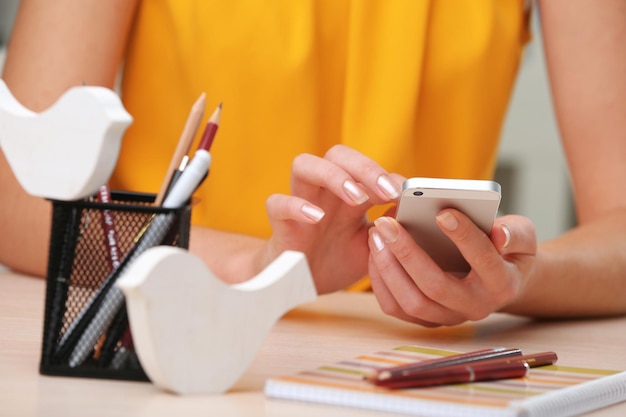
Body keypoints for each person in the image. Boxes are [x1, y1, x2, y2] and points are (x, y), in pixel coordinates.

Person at [1, 0, 625, 327]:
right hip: (171, 325)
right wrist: (259, 267)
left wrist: (513, 280)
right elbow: (19, 203)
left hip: (422, 360)